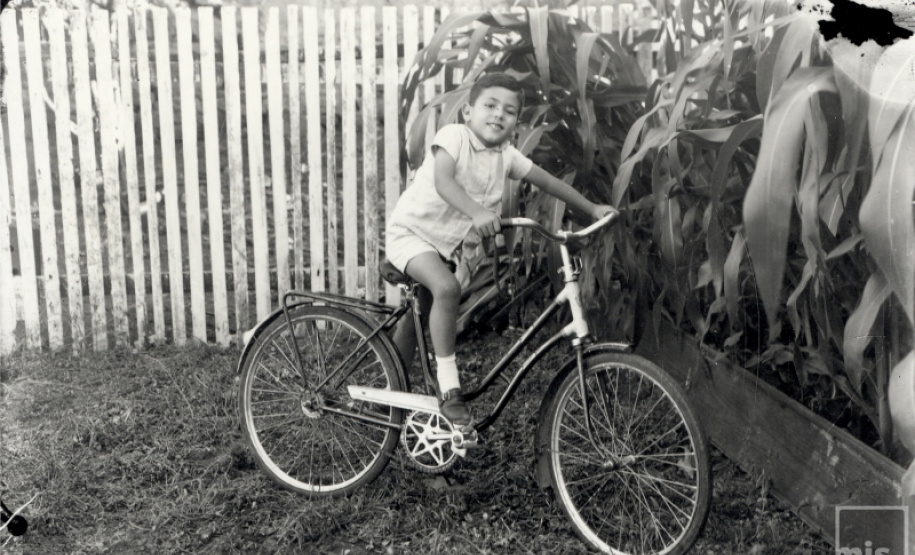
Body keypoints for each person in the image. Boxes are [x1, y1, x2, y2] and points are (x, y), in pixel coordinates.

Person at [386, 73, 614, 427]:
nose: (498, 115)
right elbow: (443, 181)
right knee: (447, 289)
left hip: (446, 248)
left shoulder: (506, 155)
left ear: (516, 123)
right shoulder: (454, 137)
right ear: (468, 112)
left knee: (419, 315)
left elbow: (549, 182)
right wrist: (477, 212)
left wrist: (592, 208)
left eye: (509, 111)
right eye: (490, 106)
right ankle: (449, 390)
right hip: (411, 234)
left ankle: (388, 392)